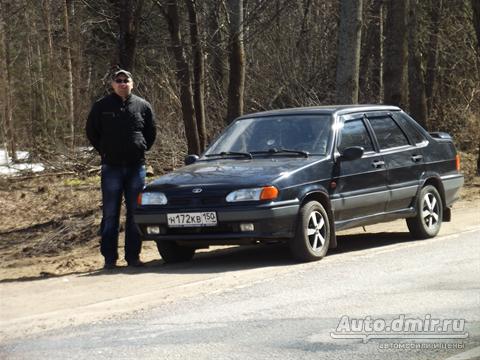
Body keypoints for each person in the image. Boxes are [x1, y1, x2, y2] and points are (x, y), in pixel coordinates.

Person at [86, 69, 156, 269]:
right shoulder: (101, 106)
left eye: (126, 80)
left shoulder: (143, 106)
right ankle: (109, 259)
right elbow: (92, 132)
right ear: (112, 84)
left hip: (136, 167)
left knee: (135, 213)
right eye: (119, 80)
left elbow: (151, 132)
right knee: (110, 214)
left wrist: (140, 147)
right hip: (111, 168)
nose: (123, 83)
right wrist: (106, 151)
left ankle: (133, 257)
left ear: (132, 84)